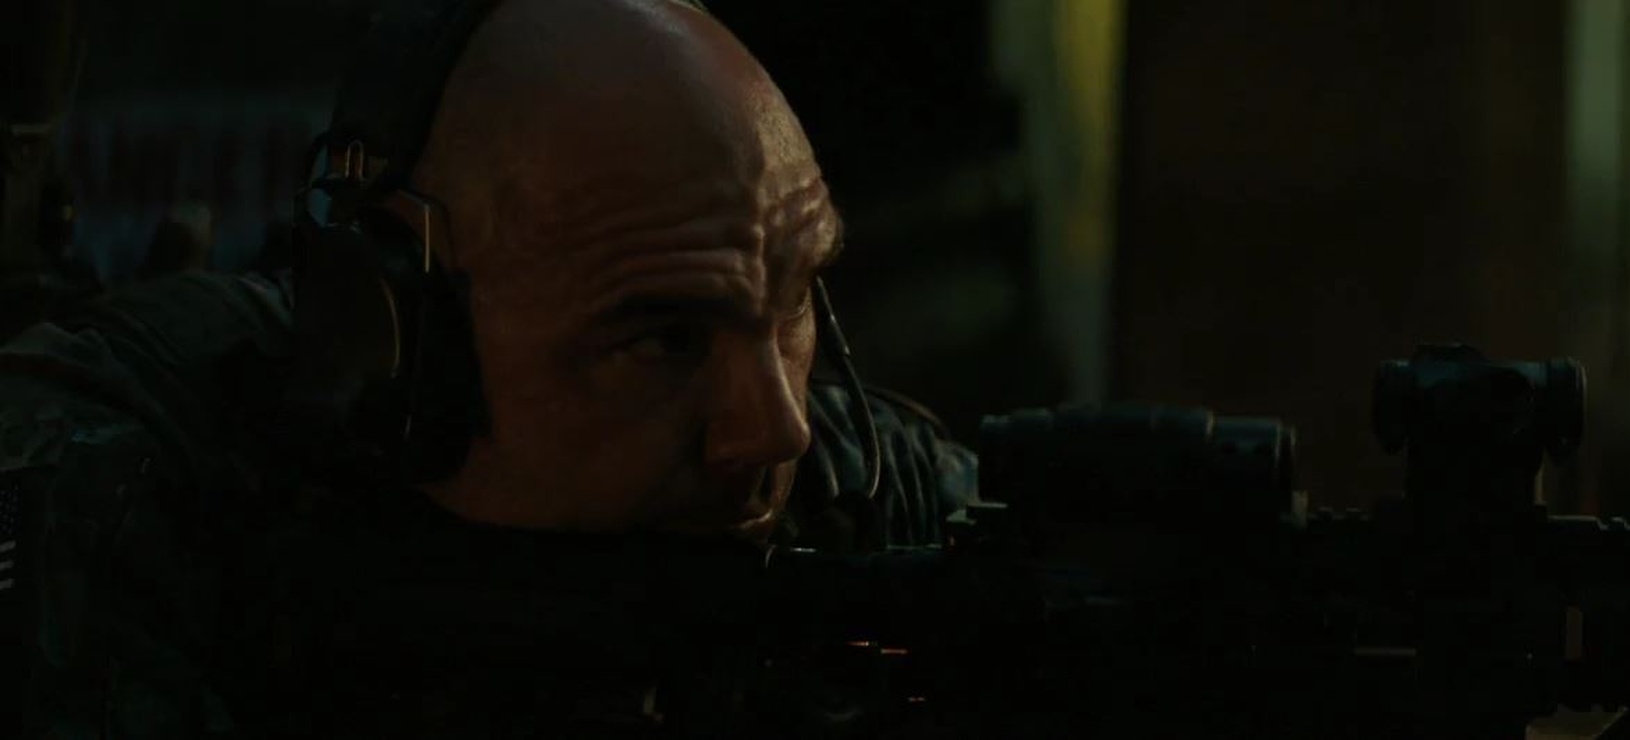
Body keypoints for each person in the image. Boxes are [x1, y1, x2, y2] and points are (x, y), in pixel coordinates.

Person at [6, 0, 976, 736]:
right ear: (393, 347)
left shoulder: (859, 490)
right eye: (666, 338)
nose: (776, 428)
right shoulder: (118, 507)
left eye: (795, 298)